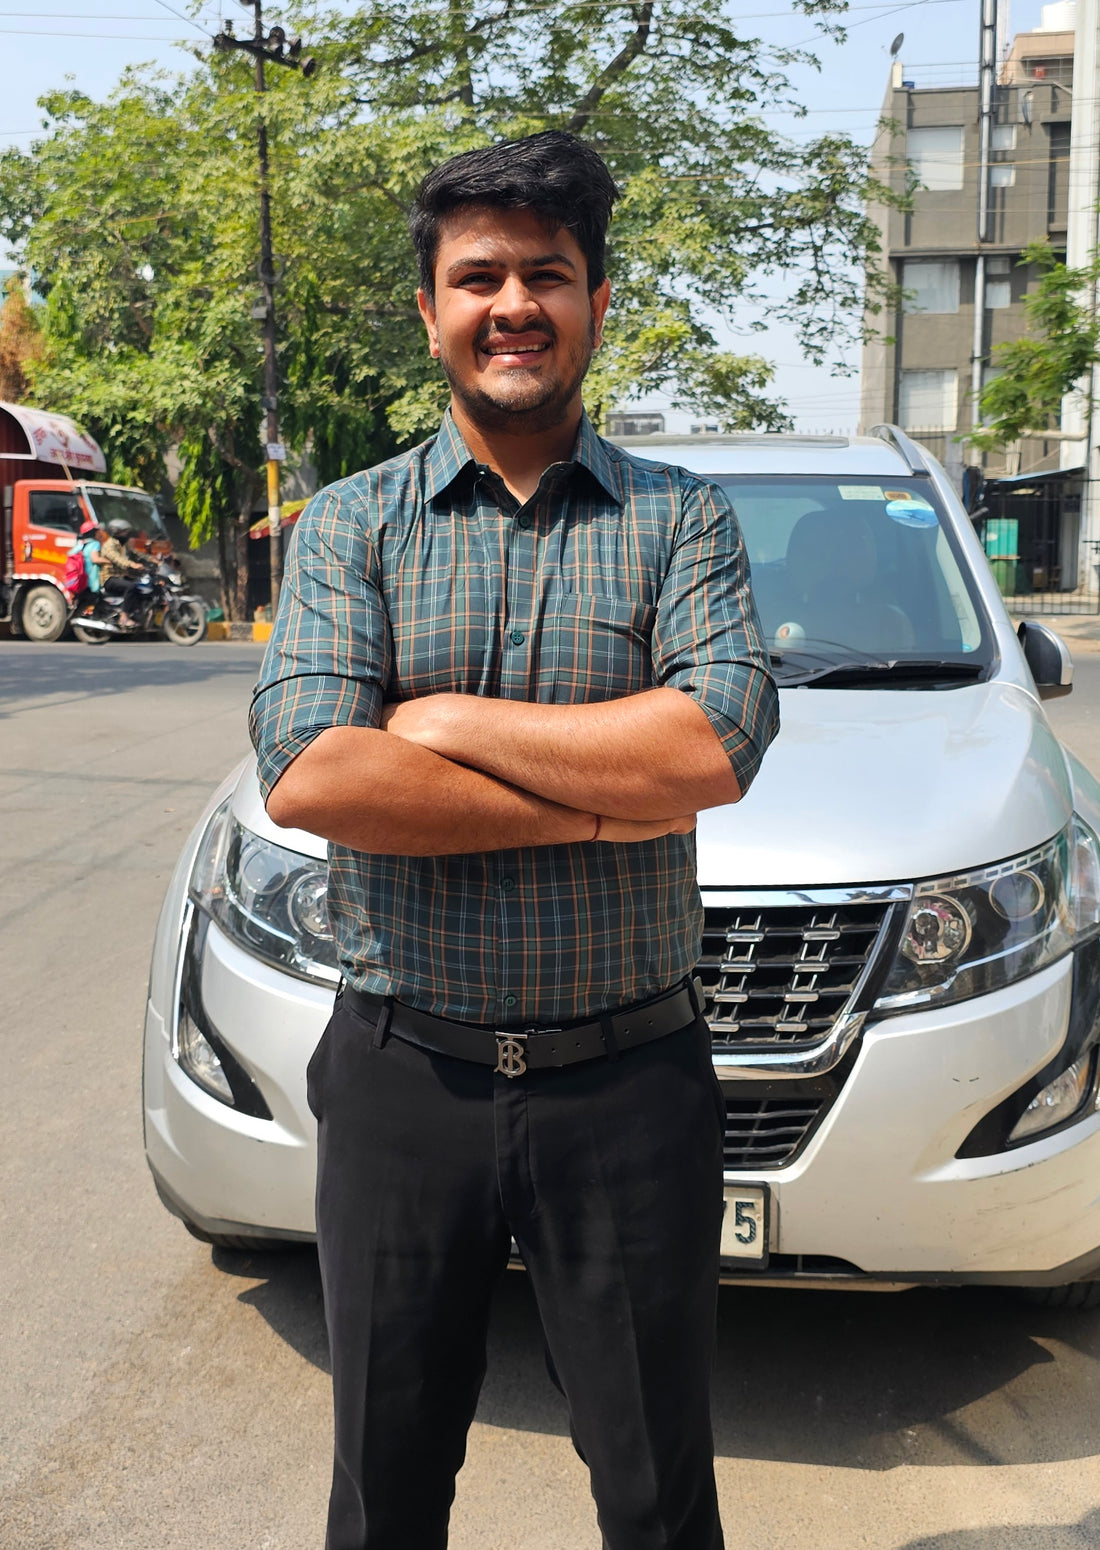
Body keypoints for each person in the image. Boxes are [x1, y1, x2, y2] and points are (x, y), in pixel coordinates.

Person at [250, 130, 779, 1550]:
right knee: (385, 1488)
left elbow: (713, 744)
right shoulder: (352, 527)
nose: (513, 303)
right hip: (402, 1077)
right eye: (477, 274)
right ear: (429, 310)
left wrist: (436, 720)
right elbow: (310, 771)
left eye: (547, 272)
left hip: (631, 1085)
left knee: (662, 1494)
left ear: (598, 299)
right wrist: (614, 796)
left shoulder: (683, 523)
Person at [95, 518, 146, 628]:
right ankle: (124, 617)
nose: (126, 534)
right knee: (131, 587)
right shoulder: (109, 546)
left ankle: (137, 613)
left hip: (120, 576)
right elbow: (118, 559)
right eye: (124, 532)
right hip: (109, 579)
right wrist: (133, 565)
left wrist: (153, 561)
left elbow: (136, 554)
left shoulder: (122, 545)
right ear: (116, 532)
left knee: (140, 585)